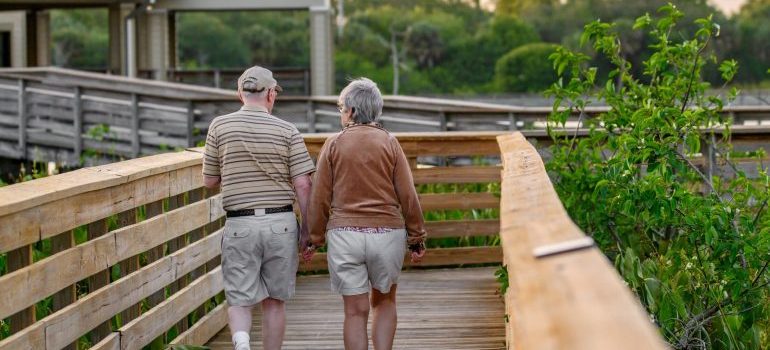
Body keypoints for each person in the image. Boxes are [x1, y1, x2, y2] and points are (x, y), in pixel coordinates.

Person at [305, 78, 428, 350]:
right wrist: (417, 237)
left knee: (354, 311)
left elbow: (320, 197)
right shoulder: (390, 143)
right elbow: (407, 195)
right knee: (384, 302)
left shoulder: (334, 144)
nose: (341, 114)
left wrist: (313, 238)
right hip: (387, 234)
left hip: (345, 235)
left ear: (350, 110)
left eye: (340, 108)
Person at [202, 66, 315, 350]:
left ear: (241, 93)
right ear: (270, 94)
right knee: (275, 301)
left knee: (239, 299)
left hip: (240, 225)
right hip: (281, 223)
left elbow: (210, 181)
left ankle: (241, 344)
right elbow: (303, 184)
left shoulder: (219, 126)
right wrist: (308, 232)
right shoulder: (288, 130)